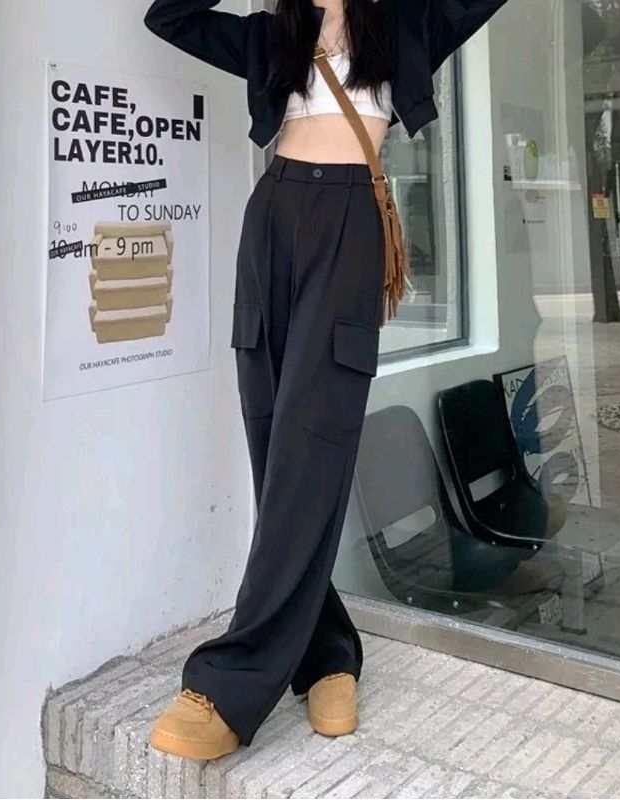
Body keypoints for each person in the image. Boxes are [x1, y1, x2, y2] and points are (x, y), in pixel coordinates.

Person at [143, 0, 510, 761]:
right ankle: (327, 652)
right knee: (273, 441)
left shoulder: (407, 28)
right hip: (272, 218)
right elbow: (168, 17)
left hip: (350, 223)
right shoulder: (270, 35)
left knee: (311, 441)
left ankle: (233, 678)